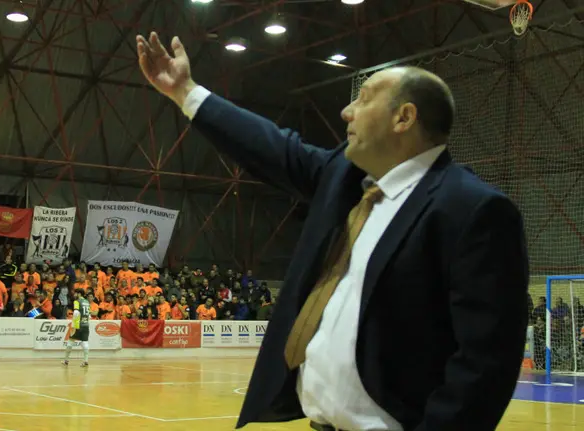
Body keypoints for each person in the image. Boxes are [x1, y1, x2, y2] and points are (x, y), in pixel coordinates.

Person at [136, 31, 530, 431]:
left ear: (404, 117)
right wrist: (185, 92)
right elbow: (274, 147)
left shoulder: (473, 210)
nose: (346, 111)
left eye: (364, 98)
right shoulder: (344, 179)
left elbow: (485, 364)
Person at [63, 288, 90, 368]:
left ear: (79, 294)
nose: (74, 295)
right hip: (86, 324)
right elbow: (88, 314)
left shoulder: (77, 301)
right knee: (85, 342)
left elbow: (76, 312)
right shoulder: (87, 302)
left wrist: (74, 326)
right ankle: (85, 361)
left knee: (70, 342)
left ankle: (66, 361)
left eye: (75, 293)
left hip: (78, 324)